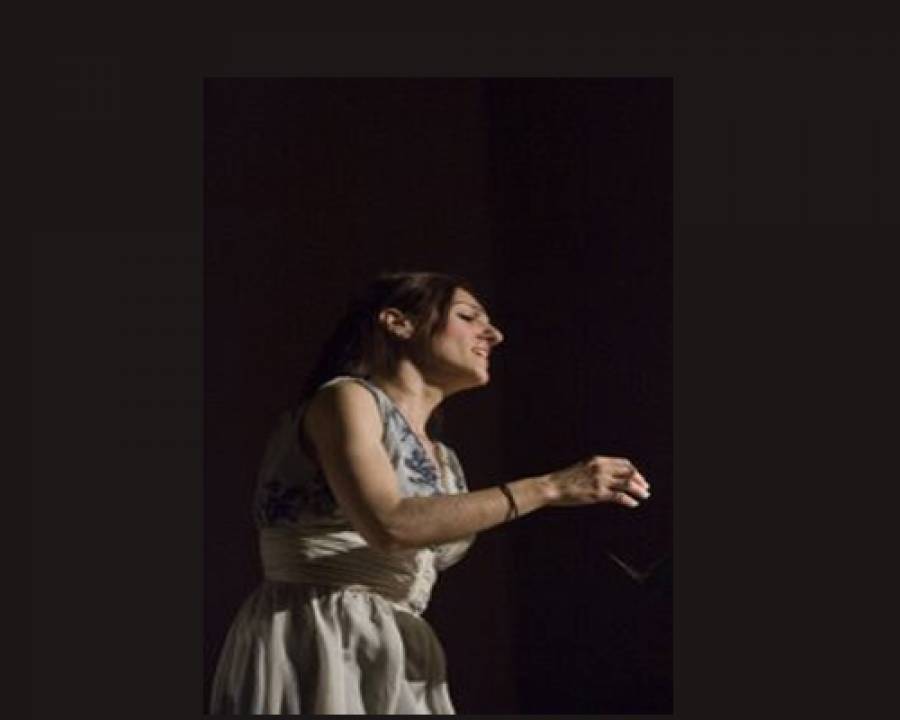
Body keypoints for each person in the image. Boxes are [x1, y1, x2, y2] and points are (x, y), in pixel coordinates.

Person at [209, 271, 650, 715]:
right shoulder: (347, 399)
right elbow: (389, 524)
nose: (494, 334)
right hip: (319, 632)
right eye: (468, 317)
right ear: (398, 323)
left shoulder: (445, 460)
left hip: (394, 643)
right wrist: (550, 487)